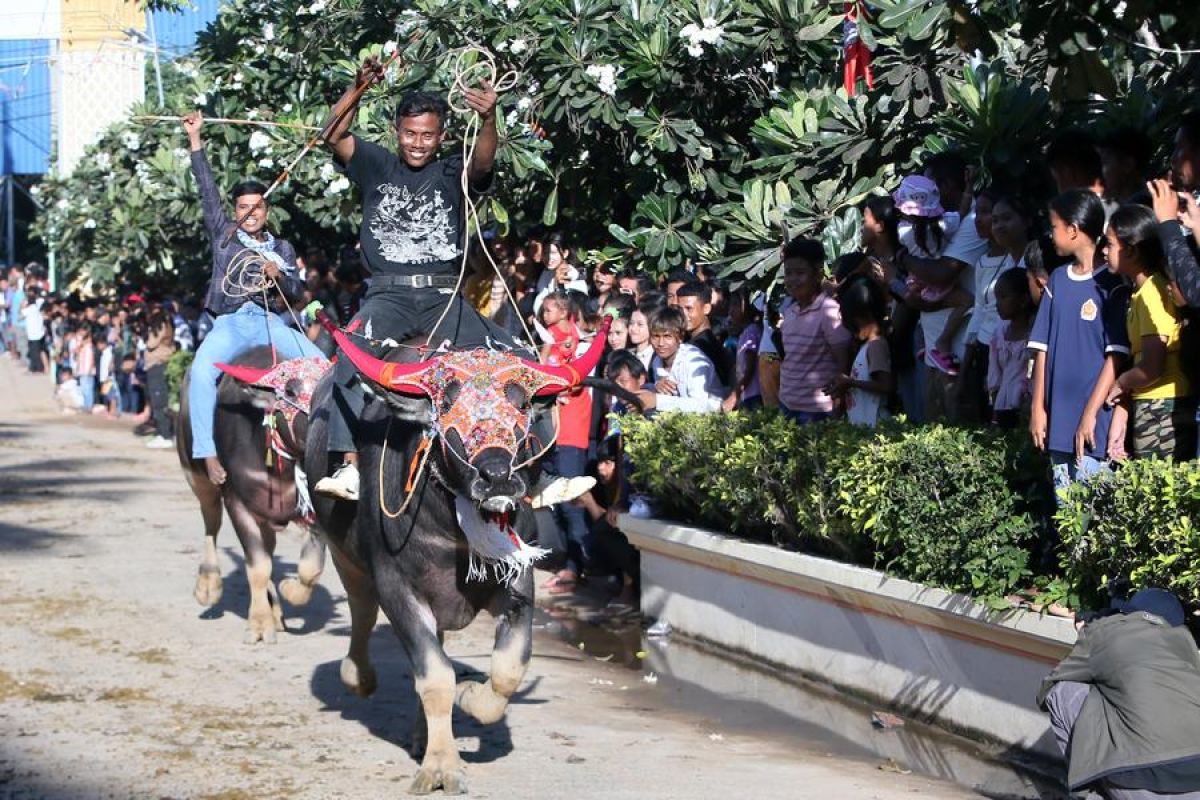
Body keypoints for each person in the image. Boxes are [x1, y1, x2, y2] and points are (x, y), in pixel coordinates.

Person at [314, 56, 512, 501]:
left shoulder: (452, 171)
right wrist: (358, 86)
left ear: (442, 136)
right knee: (350, 357)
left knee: (514, 357)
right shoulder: (376, 165)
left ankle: (530, 469)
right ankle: (348, 466)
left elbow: (483, 160)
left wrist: (488, 116)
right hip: (388, 296)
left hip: (445, 298)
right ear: (396, 132)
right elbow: (333, 134)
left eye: (427, 135)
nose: (418, 143)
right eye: (409, 133)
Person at [181, 112, 322, 485]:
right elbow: (207, 188)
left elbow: (296, 295)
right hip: (229, 326)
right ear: (235, 211)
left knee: (322, 364)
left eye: (257, 207)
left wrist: (281, 276)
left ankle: (332, 447)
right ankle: (207, 452)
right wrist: (196, 139)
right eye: (243, 207)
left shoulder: (282, 248)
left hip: (270, 324)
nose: (250, 213)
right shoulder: (223, 234)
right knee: (199, 373)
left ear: (266, 210)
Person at [1038, 588, 1200, 800]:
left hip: (1143, 779)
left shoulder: (1107, 631)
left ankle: (1093, 792)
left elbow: (1049, 685)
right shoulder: (1186, 643)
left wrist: (1085, 635)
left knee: (1063, 690)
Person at [1028, 190, 1130, 492]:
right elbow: (1041, 349)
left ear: (1073, 230)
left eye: (1054, 226)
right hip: (1058, 423)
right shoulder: (1057, 279)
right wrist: (1038, 408)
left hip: (1094, 426)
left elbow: (1116, 357)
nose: (1051, 233)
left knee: (1095, 517)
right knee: (1067, 516)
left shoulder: (1112, 284)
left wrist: (1089, 414)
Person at [897, 153, 991, 421]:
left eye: (931, 186)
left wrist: (902, 259)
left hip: (960, 357)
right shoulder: (931, 222)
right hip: (936, 358)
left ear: (948, 185)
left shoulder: (972, 222)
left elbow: (940, 274)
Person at [1103, 204, 1196, 462]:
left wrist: (1120, 383)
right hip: (1152, 404)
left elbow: (1152, 366)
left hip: (1163, 407)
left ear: (1131, 251)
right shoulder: (1139, 293)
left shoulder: (1153, 292)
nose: (1104, 251)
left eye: (1110, 244)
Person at [893, 174, 974, 377]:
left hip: (917, 282)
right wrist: (969, 186)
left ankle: (924, 343)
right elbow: (963, 211)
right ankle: (943, 341)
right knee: (967, 302)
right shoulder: (945, 224)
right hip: (939, 286)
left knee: (920, 308)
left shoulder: (903, 231)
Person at [777, 237, 853, 424]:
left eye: (800, 272)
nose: (793, 279)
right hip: (787, 405)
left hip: (817, 411)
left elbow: (843, 363)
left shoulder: (829, 312)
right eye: (789, 273)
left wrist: (837, 408)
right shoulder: (790, 311)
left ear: (818, 275)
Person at [635, 306, 723, 414]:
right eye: (655, 336)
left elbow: (700, 406)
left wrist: (658, 401)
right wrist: (655, 387)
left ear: (680, 337)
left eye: (667, 336)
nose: (661, 343)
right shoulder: (657, 361)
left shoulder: (693, 362)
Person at [831, 279, 892, 427]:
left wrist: (850, 382)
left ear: (863, 318)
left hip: (875, 425)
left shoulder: (876, 346)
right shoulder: (866, 346)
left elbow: (886, 385)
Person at [987, 267, 1035, 429]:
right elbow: (995, 376)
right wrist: (994, 416)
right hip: (1003, 405)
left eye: (1003, 297)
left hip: (1028, 406)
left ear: (1023, 300)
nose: (997, 304)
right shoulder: (999, 334)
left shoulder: (1035, 335)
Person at [675, 281, 734, 389]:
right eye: (680, 309)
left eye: (689, 308)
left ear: (706, 308)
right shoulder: (704, 341)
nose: (683, 315)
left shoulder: (702, 346)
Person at [141, 304, 176, 449]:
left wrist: (149, 332)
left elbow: (151, 343)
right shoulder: (169, 324)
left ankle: (165, 435)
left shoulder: (160, 324)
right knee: (159, 400)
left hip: (157, 365)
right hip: (160, 364)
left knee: (159, 401)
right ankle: (163, 433)